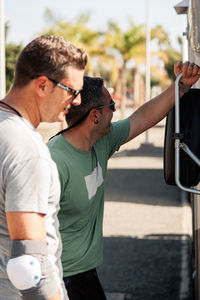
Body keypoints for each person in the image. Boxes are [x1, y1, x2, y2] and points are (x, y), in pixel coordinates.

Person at [47, 61, 200, 300]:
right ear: (95, 116)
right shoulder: (53, 162)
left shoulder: (101, 140)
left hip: (84, 273)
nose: (116, 111)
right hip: (58, 276)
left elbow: (142, 118)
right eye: (112, 106)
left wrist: (180, 88)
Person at [0, 35, 87, 300]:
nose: (77, 101)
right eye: (72, 91)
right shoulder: (27, 150)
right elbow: (28, 266)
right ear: (42, 85)